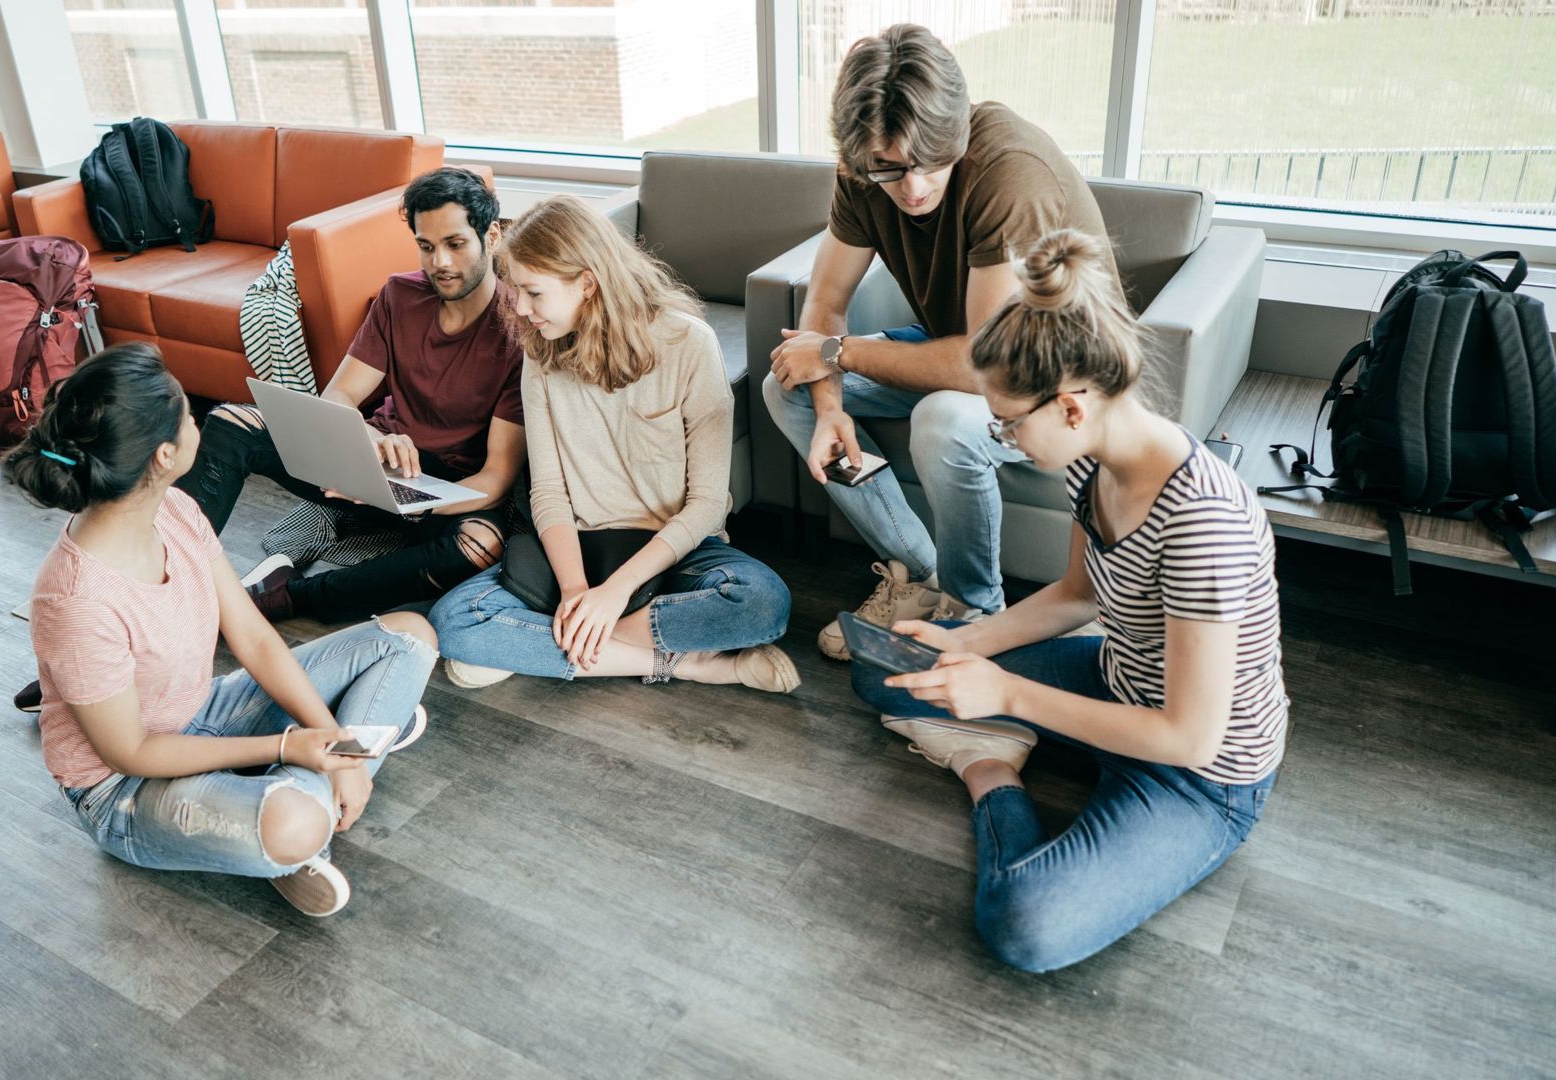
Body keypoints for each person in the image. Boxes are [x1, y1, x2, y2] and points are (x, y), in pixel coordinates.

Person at [852, 230, 1287, 972]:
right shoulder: (1092, 467)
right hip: (1115, 682)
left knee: (1026, 928)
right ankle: (998, 724)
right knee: (885, 668)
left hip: (1198, 775)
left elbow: (1189, 739)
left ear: (1072, 406)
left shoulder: (1204, 522)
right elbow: (1077, 597)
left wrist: (1008, 694)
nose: (1006, 438)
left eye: (1010, 422)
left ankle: (989, 770)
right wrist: (966, 643)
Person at [6, 342, 438, 918]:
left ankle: (310, 777)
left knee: (409, 636)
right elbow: (129, 751)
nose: (197, 420)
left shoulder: (177, 512)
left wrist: (331, 740)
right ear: (163, 455)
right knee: (296, 824)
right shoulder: (74, 599)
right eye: (187, 414)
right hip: (124, 788)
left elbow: (254, 637)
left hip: (203, 711)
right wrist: (293, 745)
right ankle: (302, 802)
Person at [762, 23, 1119, 662]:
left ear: (956, 133)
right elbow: (825, 306)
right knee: (786, 383)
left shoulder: (1011, 172)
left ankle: (974, 610)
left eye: (932, 162)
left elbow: (988, 365)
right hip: (957, 347)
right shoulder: (862, 167)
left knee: (945, 419)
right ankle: (924, 577)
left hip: (1055, 375)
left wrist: (837, 354)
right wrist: (830, 407)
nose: (914, 187)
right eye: (891, 169)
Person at [428, 196, 799, 693]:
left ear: (587, 281)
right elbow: (549, 493)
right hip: (577, 553)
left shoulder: (689, 343)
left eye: (534, 292)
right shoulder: (539, 353)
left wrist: (613, 596)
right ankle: (684, 663)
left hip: (673, 552)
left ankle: (547, 648)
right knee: (455, 620)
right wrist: (578, 590)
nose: (520, 307)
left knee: (762, 602)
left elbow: (708, 503)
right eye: (516, 291)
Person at [176, 165, 525, 625]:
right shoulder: (400, 295)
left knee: (479, 547)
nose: (439, 262)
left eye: (455, 244)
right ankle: (173, 581)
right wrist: (366, 441)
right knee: (232, 423)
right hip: (371, 466)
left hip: (447, 493)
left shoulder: (518, 331)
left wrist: (414, 499)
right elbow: (338, 394)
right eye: (426, 246)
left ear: (492, 236)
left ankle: (285, 600)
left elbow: (496, 478)